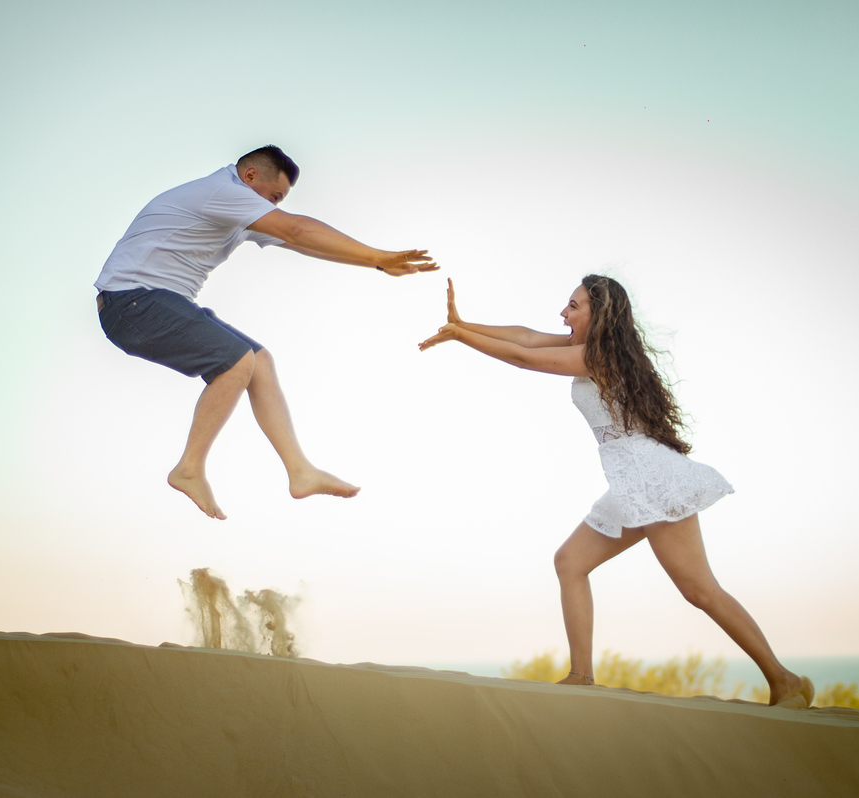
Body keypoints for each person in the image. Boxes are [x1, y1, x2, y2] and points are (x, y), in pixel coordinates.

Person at [418, 276, 814, 708]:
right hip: (630, 480)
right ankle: (581, 675)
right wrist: (464, 323)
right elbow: (528, 338)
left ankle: (785, 680)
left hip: (652, 478)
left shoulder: (599, 356)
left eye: (573, 306)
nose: (563, 314)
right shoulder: (587, 350)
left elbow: (524, 357)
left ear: (598, 314)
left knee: (699, 590)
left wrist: (462, 338)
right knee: (570, 562)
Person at [95, 145, 438, 520]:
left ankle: (300, 472)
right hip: (130, 301)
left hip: (151, 303)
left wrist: (373, 265)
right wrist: (378, 254)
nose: (274, 206)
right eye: (275, 197)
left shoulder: (234, 203)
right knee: (235, 362)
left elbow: (298, 241)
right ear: (251, 176)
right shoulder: (223, 192)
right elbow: (296, 227)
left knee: (259, 362)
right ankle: (189, 468)